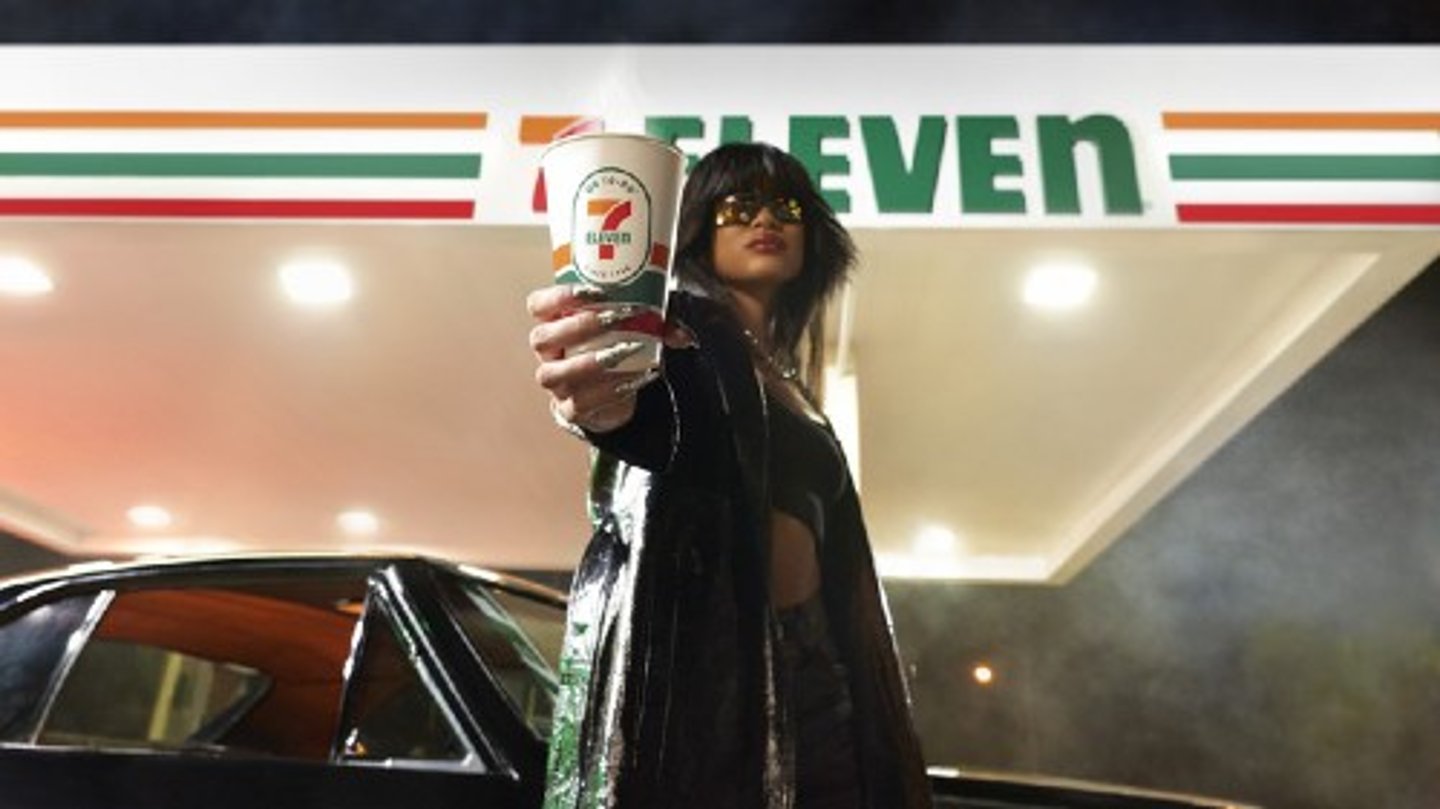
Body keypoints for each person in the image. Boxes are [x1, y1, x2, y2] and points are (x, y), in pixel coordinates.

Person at [526, 142, 932, 809]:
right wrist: (598, 400)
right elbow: (638, 410)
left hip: (818, 673)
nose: (763, 219)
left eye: (786, 206)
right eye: (738, 205)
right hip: (713, 681)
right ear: (696, 226)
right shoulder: (678, 329)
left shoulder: (791, 378)